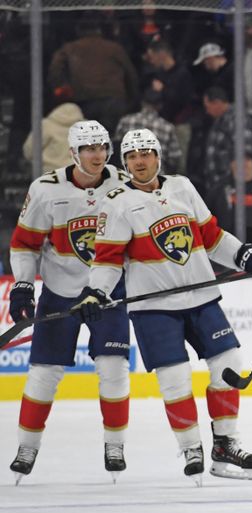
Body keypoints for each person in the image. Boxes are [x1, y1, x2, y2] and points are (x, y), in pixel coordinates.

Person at [76, 128, 252, 485]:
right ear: (125, 163)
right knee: (174, 379)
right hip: (154, 308)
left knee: (229, 365)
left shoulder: (182, 187)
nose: (140, 162)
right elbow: (108, 260)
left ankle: (225, 445)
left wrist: (247, 257)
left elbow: (211, 237)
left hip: (201, 300)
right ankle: (191, 448)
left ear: (158, 156)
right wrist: (96, 292)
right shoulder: (116, 202)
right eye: (132, 156)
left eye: (146, 154)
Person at [8, 120, 131, 484]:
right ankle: (26, 447)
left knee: (113, 368)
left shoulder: (123, 184)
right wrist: (23, 286)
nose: (98, 155)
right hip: (60, 291)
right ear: (73, 153)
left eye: (103, 147)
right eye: (89, 149)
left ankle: (115, 445)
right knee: (44, 374)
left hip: (108, 294)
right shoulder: (45, 190)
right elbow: (25, 244)